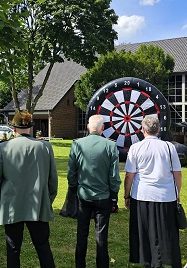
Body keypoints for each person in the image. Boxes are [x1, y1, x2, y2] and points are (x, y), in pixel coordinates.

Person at [0, 110, 58, 268]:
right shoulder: (45, 147)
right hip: (38, 205)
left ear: (14, 128)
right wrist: (47, 200)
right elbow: (53, 180)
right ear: (31, 127)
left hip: (12, 204)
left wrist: (0, 201)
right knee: (43, 247)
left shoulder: (4, 147)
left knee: (13, 249)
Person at [124, 115, 182, 268]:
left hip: (142, 195)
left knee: (144, 231)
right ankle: (166, 258)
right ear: (158, 129)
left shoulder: (136, 148)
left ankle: (147, 260)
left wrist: (126, 195)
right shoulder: (170, 147)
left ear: (143, 129)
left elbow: (130, 175)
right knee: (166, 231)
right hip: (166, 195)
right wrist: (177, 193)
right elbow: (177, 173)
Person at [67, 114, 121, 268]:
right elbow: (114, 176)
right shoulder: (110, 145)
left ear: (88, 127)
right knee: (101, 236)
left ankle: (80, 265)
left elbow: (72, 172)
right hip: (103, 197)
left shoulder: (77, 144)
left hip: (84, 195)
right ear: (102, 128)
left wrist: (74, 188)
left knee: (81, 234)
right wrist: (114, 196)